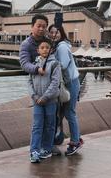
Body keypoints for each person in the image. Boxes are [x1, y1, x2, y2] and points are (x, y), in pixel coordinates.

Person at [49, 24, 83, 156]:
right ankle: (59, 138)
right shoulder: (58, 46)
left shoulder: (62, 46)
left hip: (70, 83)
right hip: (68, 83)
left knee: (70, 113)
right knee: (63, 113)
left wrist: (48, 66)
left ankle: (76, 141)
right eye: (51, 32)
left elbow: (62, 64)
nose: (53, 35)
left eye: (56, 32)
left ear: (61, 33)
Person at [28, 38, 61, 163]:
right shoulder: (34, 65)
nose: (45, 49)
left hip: (50, 101)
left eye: (47, 47)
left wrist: (45, 97)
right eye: (42, 47)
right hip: (37, 101)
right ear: (38, 50)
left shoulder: (55, 64)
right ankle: (34, 151)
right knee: (37, 126)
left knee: (49, 126)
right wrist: (35, 96)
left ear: (51, 49)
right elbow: (29, 82)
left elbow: (55, 82)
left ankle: (46, 149)